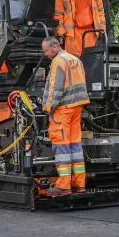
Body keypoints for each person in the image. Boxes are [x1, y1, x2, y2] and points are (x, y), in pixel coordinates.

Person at [41, 36, 90, 195]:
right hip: (77, 108)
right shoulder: (75, 60)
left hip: (63, 110)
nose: (46, 54)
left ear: (55, 47)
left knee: (61, 146)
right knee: (75, 145)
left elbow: (56, 87)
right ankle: (79, 184)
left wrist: (48, 107)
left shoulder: (58, 62)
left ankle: (63, 186)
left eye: (47, 50)